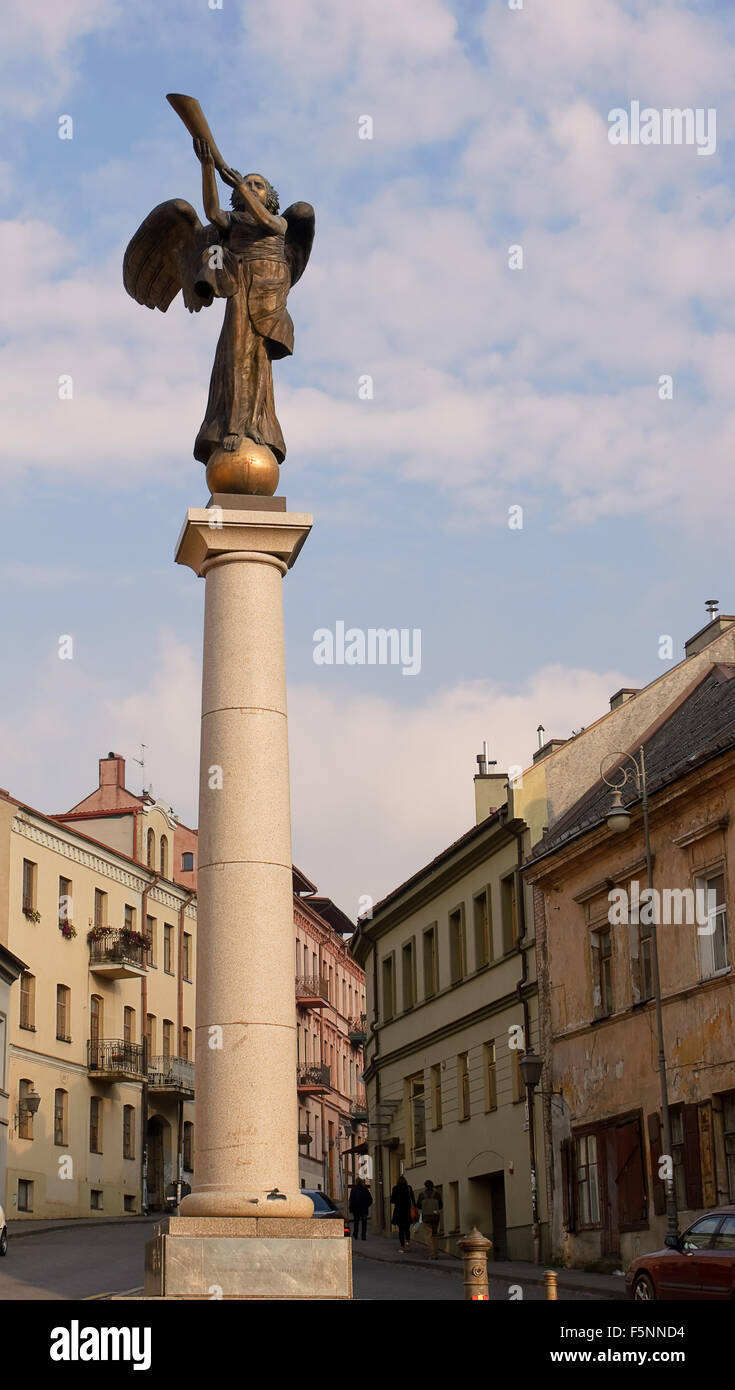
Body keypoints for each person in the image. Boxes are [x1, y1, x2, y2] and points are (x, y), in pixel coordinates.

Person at [390, 1173, 416, 1253]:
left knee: (401, 1230)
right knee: (407, 1229)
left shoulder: (395, 1188)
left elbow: (392, 1201)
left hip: (399, 1212)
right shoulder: (409, 1188)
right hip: (407, 1211)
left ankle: (402, 1247)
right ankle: (407, 1243)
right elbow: (413, 1200)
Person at [417, 1180, 443, 1259]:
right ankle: (436, 1253)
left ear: (425, 1186)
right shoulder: (437, 1194)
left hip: (426, 1217)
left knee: (428, 1236)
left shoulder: (421, 1195)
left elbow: (418, 1206)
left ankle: (432, 1253)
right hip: (435, 1217)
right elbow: (441, 1206)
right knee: (435, 1235)